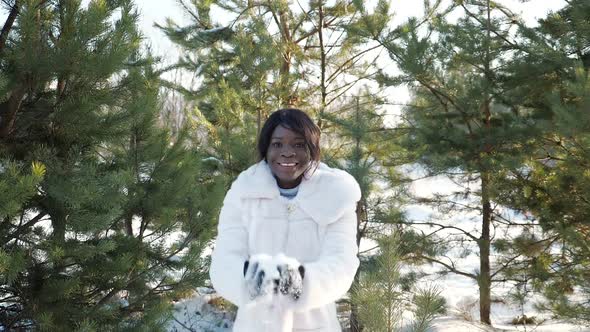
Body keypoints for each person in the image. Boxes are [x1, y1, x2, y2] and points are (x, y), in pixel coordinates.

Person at [209, 108, 361, 332]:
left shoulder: (335, 196)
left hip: (316, 326)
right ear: (266, 148)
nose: (287, 153)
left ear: (312, 148)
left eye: (298, 144)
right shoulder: (244, 193)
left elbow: (341, 265)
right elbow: (223, 262)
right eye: (278, 144)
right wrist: (255, 280)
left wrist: (296, 282)